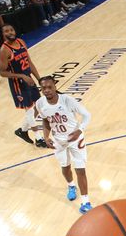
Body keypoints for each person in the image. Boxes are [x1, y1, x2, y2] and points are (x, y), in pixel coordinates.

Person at [35, 75, 93, 213]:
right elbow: (45, 121)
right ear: (41, 89)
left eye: (50, 87)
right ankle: (71, 186)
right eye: (44, 88)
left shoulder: (67, 100)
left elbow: (87, 115)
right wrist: (45, 136)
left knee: (80, 169)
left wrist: (80, 130)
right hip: (58, 141)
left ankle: (86, 202)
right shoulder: (40, 103)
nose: (47, 90)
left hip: (75, 139)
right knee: (65, 167)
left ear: (55, 86)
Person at [0, 24, 45, 147]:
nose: (10, 32)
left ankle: (22, 131)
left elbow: (29, 61)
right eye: (6, 31)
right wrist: (21, 76)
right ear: (3, 34)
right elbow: (2, 72)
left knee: (39, 106)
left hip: (28, 79)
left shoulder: (21, 42)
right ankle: (39, 139)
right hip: (18, 83)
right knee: (29, 110)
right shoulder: (4, 50)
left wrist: (39, 79)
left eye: (11, 30)